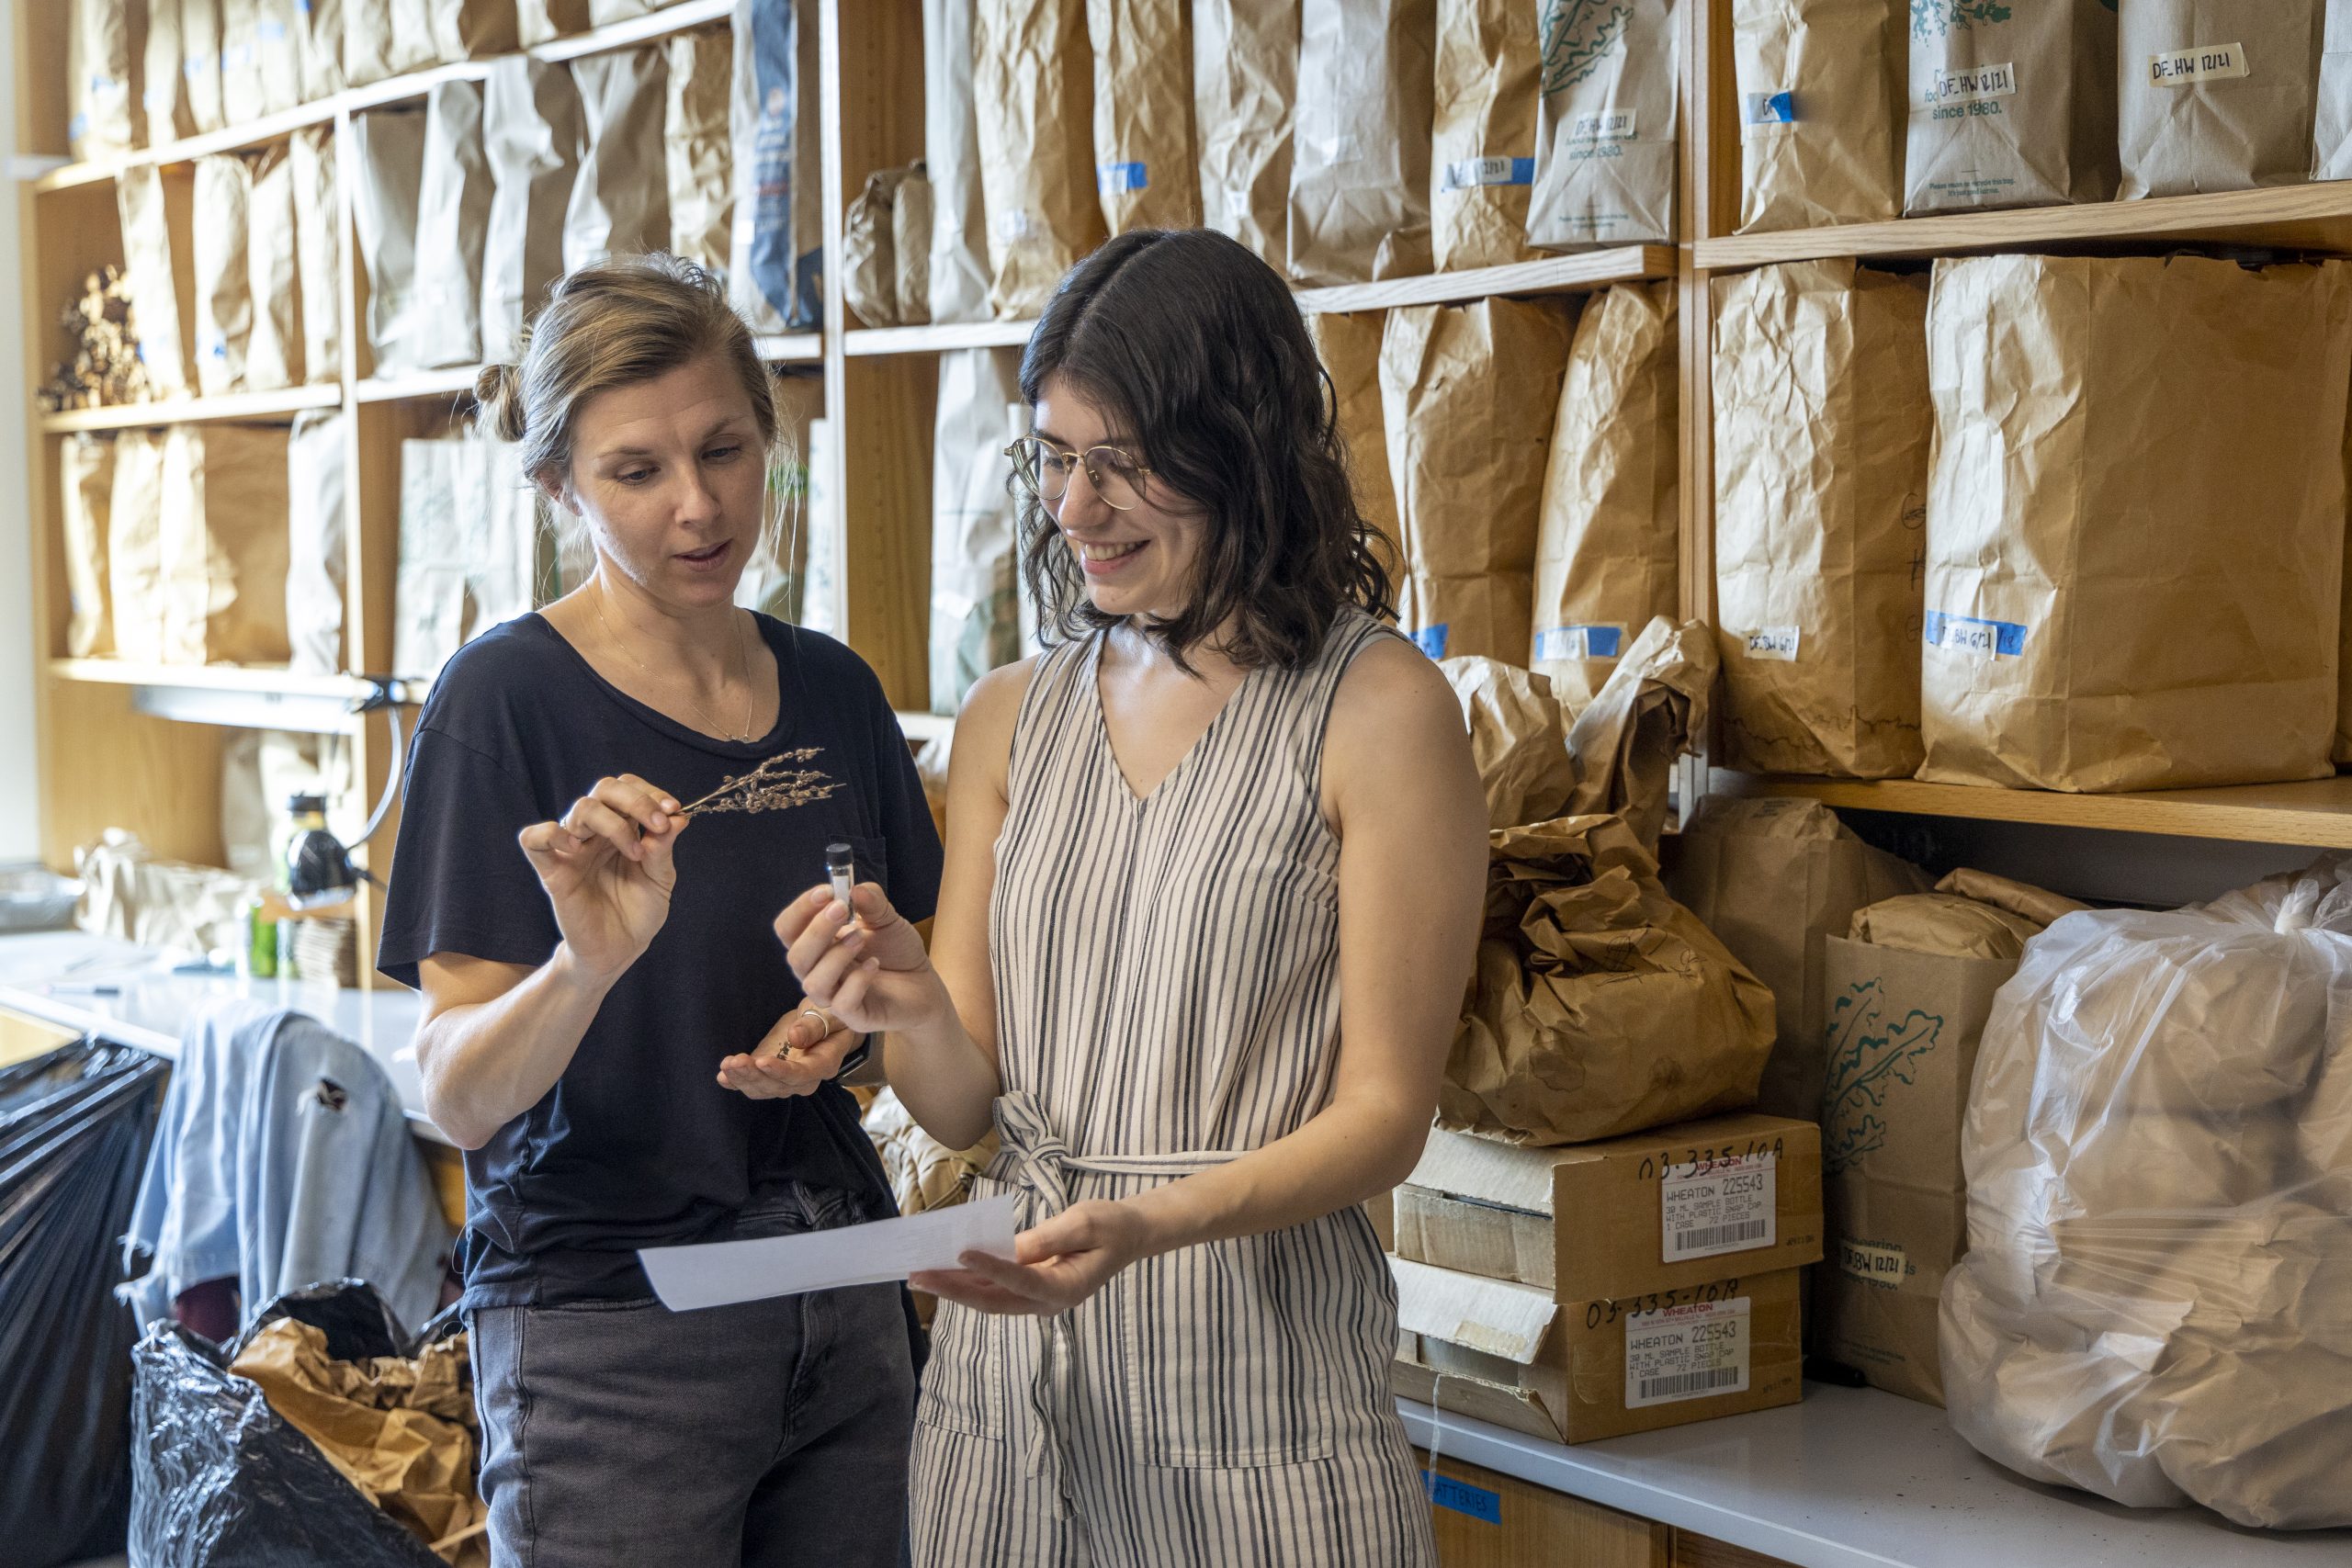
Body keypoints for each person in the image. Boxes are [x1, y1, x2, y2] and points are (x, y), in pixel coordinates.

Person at [777, 229, 1487, 1564]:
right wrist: (905, 1003)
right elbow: (967, 1104)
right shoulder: (1007, 718)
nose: (1074, 507)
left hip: (1259, 1404)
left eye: (1124, 463)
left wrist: (1151, 1222)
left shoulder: (1380, 713)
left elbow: (1389, 1118)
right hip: (1005, 1405)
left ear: (1248, 448)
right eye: (1054, 457)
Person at [377, 254, 943, 1567]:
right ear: (560, 484)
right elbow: (460, 1094)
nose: (699, 507)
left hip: (839, 1300)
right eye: (637, 472)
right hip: (614, 1341)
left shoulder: (836, 692)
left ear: (768, 444)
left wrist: (841, 1028)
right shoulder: (502, 701)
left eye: (725, 451)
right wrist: (584, 964)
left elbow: (900, 994)